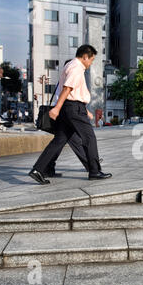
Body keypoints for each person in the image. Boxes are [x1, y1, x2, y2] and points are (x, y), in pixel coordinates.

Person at [29, 44, 112, 185]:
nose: (90, 63)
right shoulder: (76, 67)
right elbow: (68, 89)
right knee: (89, 137)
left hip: (69, 108)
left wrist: (62, 108)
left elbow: (71, 91)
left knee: (60, 140)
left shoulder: (70, 66)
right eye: (91, 60)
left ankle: (38, 170)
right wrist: (56, 108)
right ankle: (94, 172)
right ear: (85, 57)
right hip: (73, 108)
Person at [43, 59, 97, 178]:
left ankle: (48, 167)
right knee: (74, 141)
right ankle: (91, 166)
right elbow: (68, 98)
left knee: (60, 142)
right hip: (64, 113)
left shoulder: (63, 82)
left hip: (62, 112)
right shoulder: (67, 83)